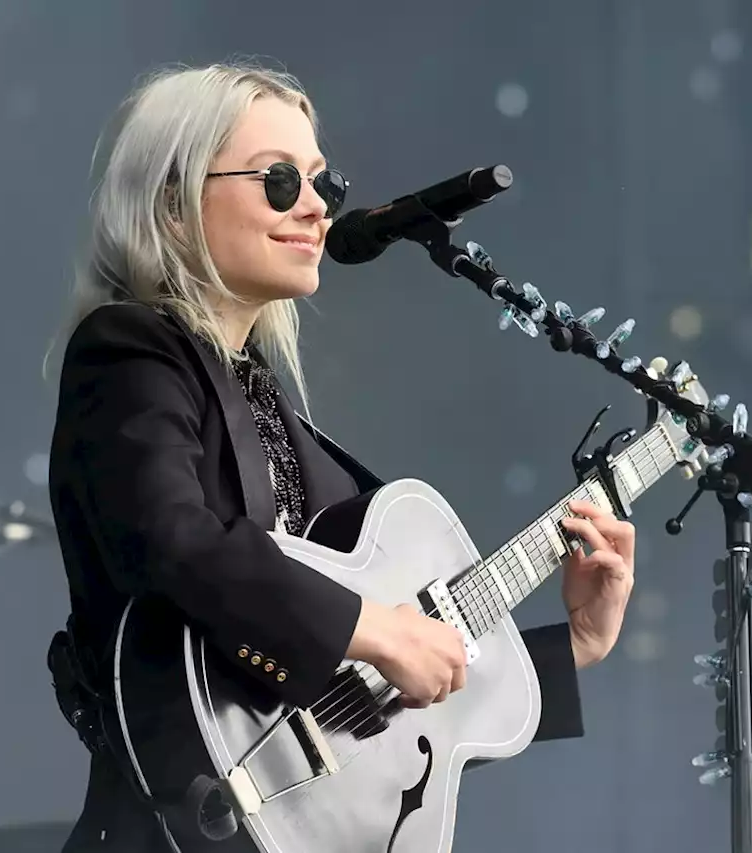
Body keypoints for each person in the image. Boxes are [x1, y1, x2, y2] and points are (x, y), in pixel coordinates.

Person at [46, 62, 637, 852]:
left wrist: (575, 646)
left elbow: (377, 719)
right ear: (174, 207)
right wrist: (377, 629)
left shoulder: (270, 405)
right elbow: (171, 539)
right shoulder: (128, 349)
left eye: (327, 182)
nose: (319, 207)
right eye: (281, 181)